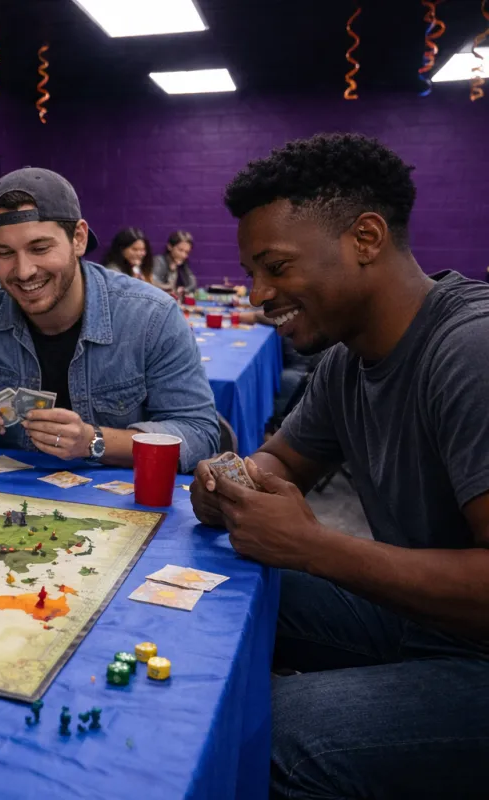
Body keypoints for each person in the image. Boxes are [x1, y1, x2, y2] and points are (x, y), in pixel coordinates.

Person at [189, 133, 489, 797]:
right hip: (430, 622)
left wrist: (314, 547)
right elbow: (278, 464)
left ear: (366, 237)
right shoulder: (346, 361)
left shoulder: (471, 350)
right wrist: (230, 483)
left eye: (275, 267)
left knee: (276, 734)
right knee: (219, 585)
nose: (258, 294)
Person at [0, 168, 218, 471]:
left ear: (78, 238)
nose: (23, 271)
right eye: (4, 253)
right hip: (3, 500)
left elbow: (199, 434)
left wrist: (95, 441)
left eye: (40, 247)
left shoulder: (152, 315)